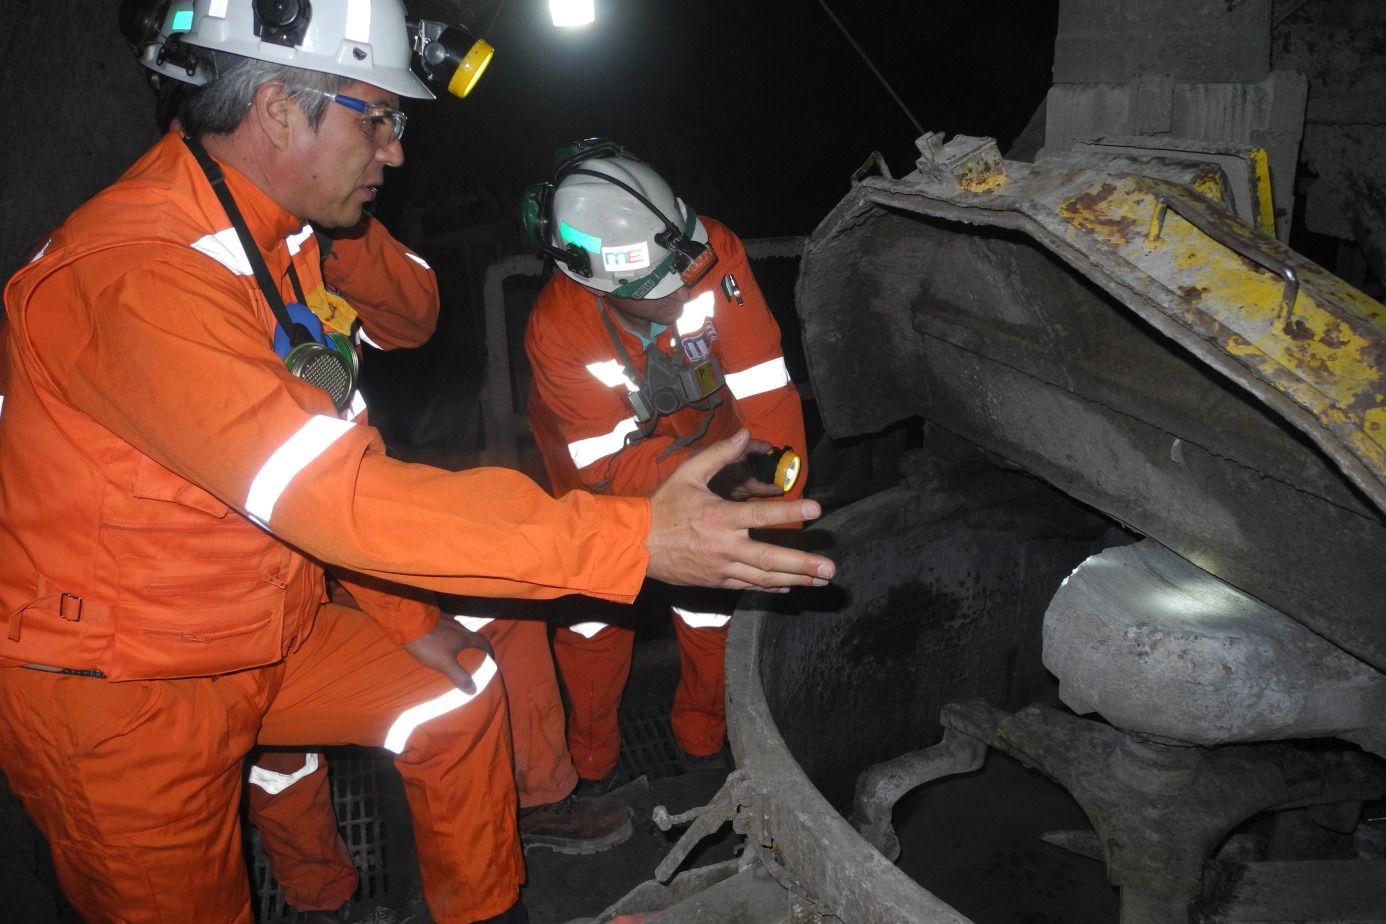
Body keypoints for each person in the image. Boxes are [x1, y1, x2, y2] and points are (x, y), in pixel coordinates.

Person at [0, 4, 834, 924]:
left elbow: (414, 318)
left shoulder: (269, 234)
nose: (395, 152)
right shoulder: (134, 278)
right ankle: (323, 897)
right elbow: (338, 496)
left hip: (264, 615)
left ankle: (486, 910)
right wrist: (639, 537)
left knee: (461, 684)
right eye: (376, 120)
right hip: (125, 687)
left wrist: (325, 223)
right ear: (279, 112)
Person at [522, 141, 809, 789]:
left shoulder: (711, 253)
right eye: (657, 292)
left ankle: (703, 744)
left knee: (711, 610)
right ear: (598, 281)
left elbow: (764, 385)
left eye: (686, 269)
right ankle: (594, 763)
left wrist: (775, 516)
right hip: (601, 487)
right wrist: (717, 479)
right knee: (594, 624)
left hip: (721, 454)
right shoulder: (558, 332)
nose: (684, 291)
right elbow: (603, 466)